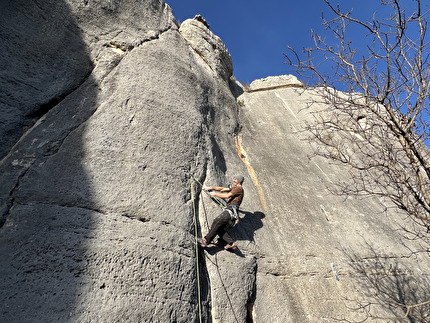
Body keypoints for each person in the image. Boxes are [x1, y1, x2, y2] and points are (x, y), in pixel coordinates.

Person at [198, 175, 244, 250]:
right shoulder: (236, 189)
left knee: (217, 221)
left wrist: (215, 194)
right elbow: (222, 189)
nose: (233, 180)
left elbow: (227, 196)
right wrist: (210, 188)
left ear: (239, 181)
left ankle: (206, 240)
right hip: (232, 213)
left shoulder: (239, 189)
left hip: (230, 211)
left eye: (235, 179)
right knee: (219, 229)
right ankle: (231, 243)